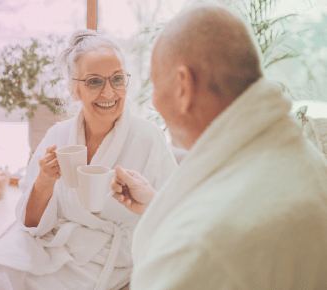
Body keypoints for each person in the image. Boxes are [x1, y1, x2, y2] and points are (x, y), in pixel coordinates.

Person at [111, 2, 327, 289]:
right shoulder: (299, 156)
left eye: (153, 84)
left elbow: (219, 230)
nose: (153, 102)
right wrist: (157, 203)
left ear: (183, 86)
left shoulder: (198, 251)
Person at [0, 30, 178, 290]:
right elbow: (31, 225)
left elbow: (176, 213)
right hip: (50, 241)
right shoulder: (58, 136)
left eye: (117, 79)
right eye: (94, 82)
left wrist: (148, 200)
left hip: (105, 257)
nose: (109, 92)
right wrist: (45, 181)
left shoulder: (148, 138)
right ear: (74, 89)